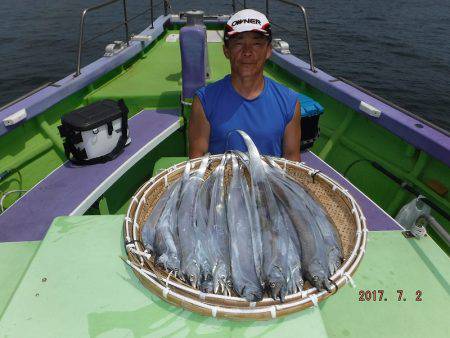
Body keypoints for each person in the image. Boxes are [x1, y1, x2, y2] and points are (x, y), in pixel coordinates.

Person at [188, 9, 301, 161]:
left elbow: (292, 160)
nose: (247, 52)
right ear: (226, 51)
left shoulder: (289, 103)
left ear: (268, 51)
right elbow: (196, 161)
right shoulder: (204, 101)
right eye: (238, 43)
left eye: (256, 44)